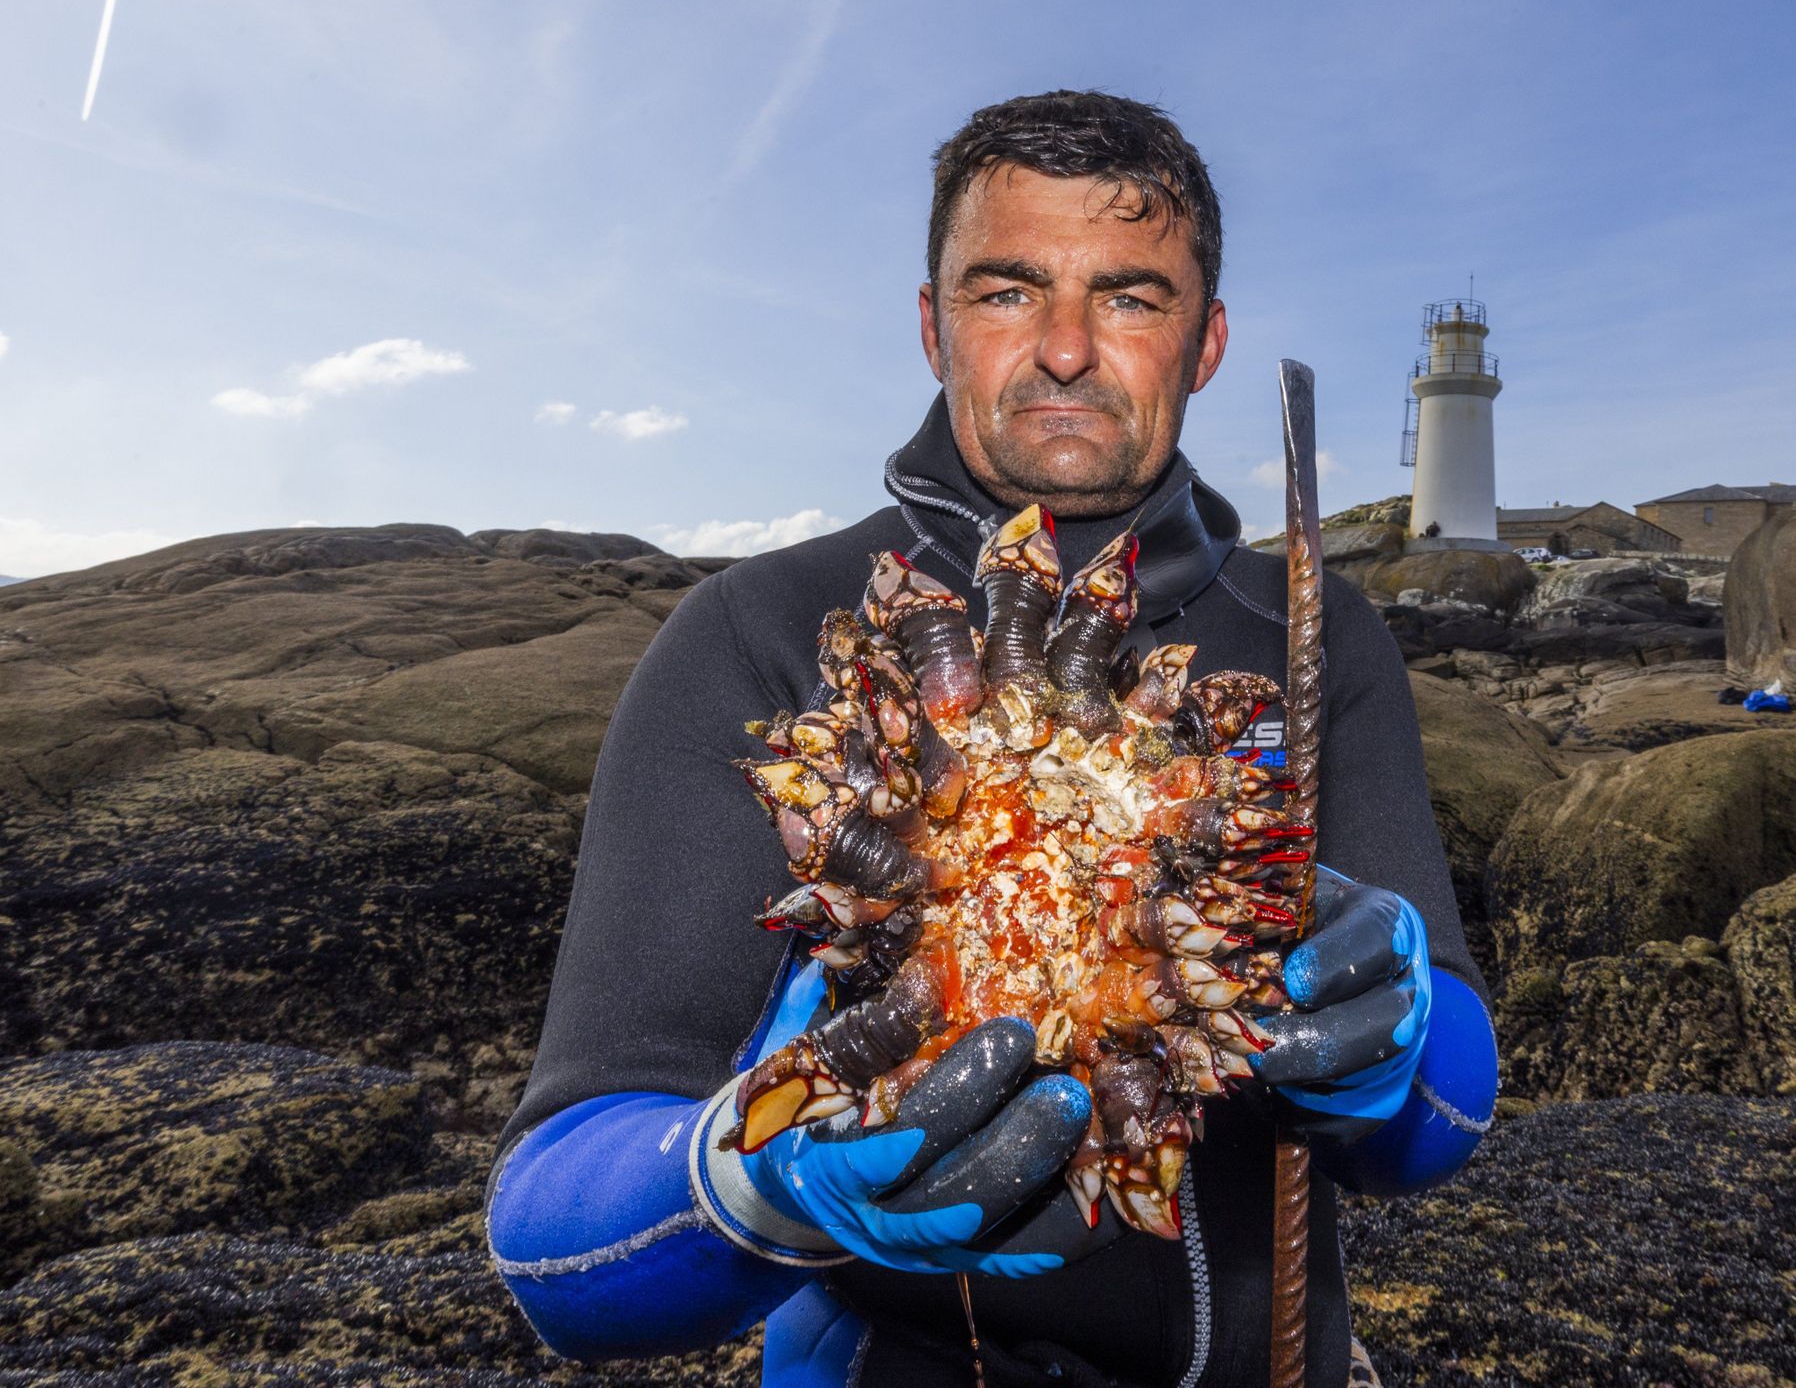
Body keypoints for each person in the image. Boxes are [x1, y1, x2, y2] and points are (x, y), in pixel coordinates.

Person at [484, 90, 1498, 1387]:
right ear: (933, 325)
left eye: (1130, 296)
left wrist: (1398, 1036)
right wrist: (750, 1183)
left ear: (1206, 341)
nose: (1067, 349)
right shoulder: (758, 633)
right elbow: (554, 1234)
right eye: (1008, 290)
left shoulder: (1313, 636)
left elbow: (1440, 1117)